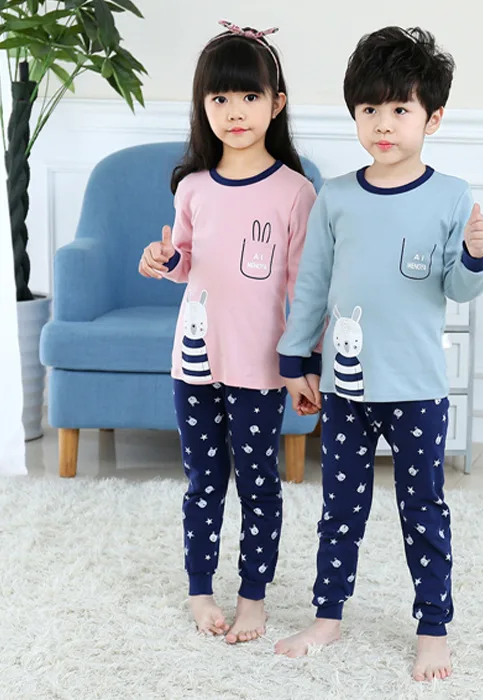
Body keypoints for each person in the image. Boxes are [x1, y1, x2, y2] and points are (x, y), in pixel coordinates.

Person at [274, 26, 483, 681]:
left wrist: (476, 255)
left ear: (433, 118)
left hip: (418, 390)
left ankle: (433, 627)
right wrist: (296, 362)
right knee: (339, 512)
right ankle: (327, 616)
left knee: (423, 511)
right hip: (345, 391)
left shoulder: (451, 195)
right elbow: (311, 286)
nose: (383, 123)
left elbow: (457, 287)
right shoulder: (336, 197)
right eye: (369, 109)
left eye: (401, 109)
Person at [138, 21, 319, 643]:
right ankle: (199, 589)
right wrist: (163, 260)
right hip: (194, 362)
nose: (235, 111)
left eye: (249, 96)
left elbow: (304, 289)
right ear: (203, 105)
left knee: (259, 485)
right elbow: (186, 260)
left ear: (277, 103)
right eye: (220, 98)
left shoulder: (295, 192)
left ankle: (253, 598)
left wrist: (304, 364)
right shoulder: (192, 187)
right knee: (203, 483)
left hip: (259, 368)